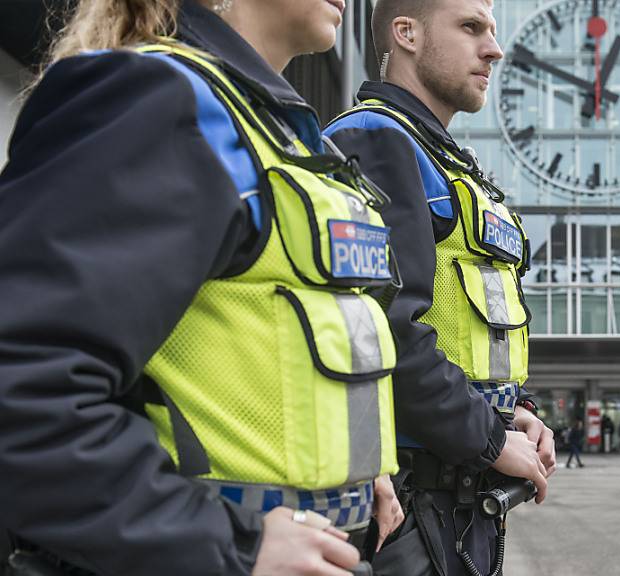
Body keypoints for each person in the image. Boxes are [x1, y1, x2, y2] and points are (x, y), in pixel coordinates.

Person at [0, 1, 408, 574]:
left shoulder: (264, 127)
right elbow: (24, 388)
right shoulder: (157, 101)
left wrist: (357, 476)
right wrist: (229, 543)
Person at [322, 0, 556, 574]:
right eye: (471, 27)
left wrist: (515, 410)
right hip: (407, 506)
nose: (494, 49)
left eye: (493, 31)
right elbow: (386, 330)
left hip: (457, 503)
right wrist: (493, 439)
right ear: (406, 33)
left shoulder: (446, 158)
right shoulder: (374, 139)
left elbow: (465, 325)